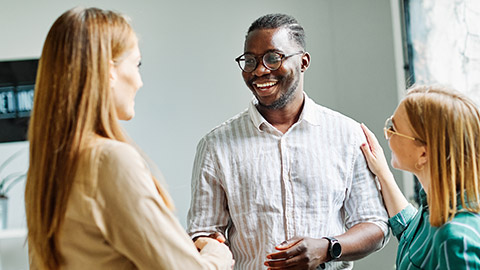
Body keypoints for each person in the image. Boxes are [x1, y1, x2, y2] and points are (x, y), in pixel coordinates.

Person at [25, 7, 233, 270]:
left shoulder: (47, 169)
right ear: (107, 70)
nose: (139, 81)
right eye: (137, 64)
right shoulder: (109, 161)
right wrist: (217, 253)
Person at [187, 13, 389, 270]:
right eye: (250, 60)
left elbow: (375, 224)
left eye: (273, 58)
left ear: (303, 62)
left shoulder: (347, 135)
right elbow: (202, 233)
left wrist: (328, 248)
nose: (259, 70)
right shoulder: (216, 146)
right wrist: (208, 242)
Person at [360, 85, 480, 269]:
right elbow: (413, 236)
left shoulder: (455, 242)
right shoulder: (433, 205)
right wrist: (382, 173)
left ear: (423, 154)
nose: (387, 134)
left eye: (394, 129)